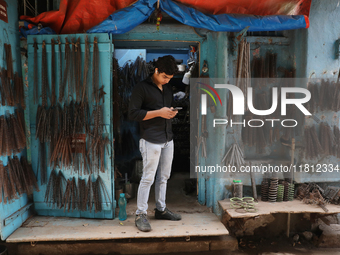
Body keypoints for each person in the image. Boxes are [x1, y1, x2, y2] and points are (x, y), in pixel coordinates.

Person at [128, 55, 181, 232]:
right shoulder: (141, 88)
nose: (166, 81)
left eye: (170, 79)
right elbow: (133, 114)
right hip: (150, 139)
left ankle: (161, 209)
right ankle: (140, 214)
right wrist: (159, 112)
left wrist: (170, 113)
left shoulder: (167, 89)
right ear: (156, 70)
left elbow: (165, 111)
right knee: (148, 177)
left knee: (164, 177)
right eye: (164, 77)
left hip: (167, 138)